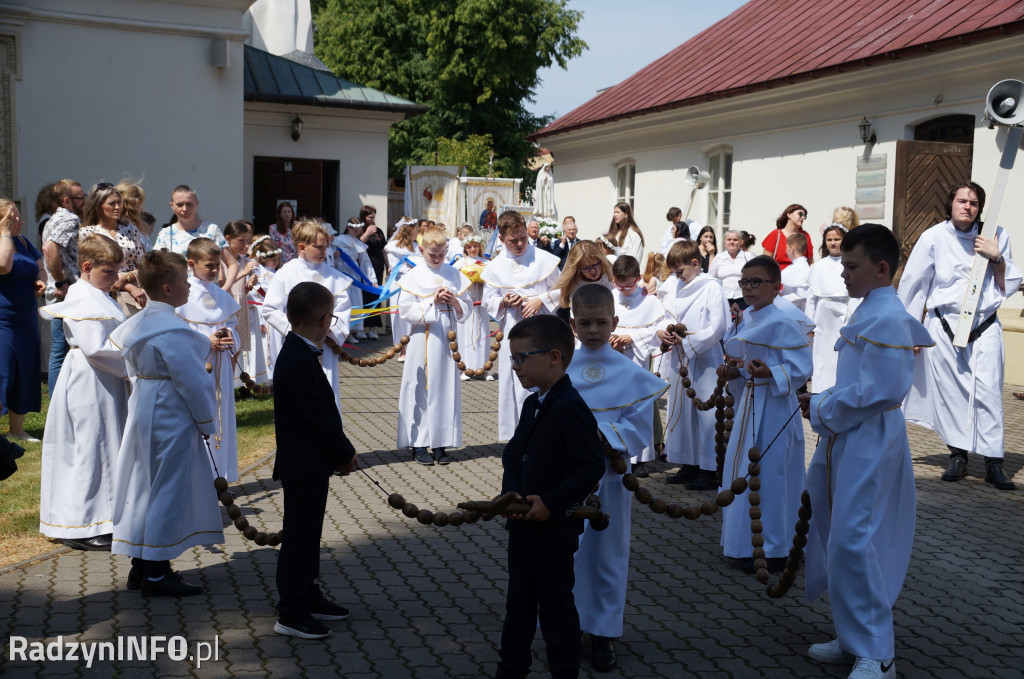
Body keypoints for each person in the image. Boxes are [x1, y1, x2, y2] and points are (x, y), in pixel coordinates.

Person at [799, 224, 934, 679]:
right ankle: (853, 636)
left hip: (871, 437)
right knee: (839, 535)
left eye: (851, 266)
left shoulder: (889, 318)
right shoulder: (868, 310)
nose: (843, 274)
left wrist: (822, 403)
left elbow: (883, 390)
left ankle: (880, 651)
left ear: (880, 269)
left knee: (856, 541)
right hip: (849, 433)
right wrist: (826, 404)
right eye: (841, 265)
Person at [496, 314, 605, 679]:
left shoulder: (570, 406)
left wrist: (551, 503)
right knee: (518, 605)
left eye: (522, 357)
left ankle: (564, 671)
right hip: (523, 523)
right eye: (512, 358)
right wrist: (511, 493)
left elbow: (589, 468)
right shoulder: (532, 402)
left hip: (554, 529)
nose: (515, 366)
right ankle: (511, 670)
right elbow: (513, 453)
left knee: (556, 606)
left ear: (554, 357)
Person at [109, 249, 222, 597]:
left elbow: (123, 358)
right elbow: (192, 380)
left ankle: (140, 565)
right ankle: (157, 572)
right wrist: (207, 421)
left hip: (144, 402)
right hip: (170, 411)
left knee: (144, 485)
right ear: (169, 289)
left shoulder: (140, 322)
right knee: (167, 488)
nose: (190, 285)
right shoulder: (172, 329)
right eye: (185, 281)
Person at [899, 181, 1022, 490]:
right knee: (951, 394)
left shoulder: (996, 235)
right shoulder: (934, 237)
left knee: (989, 393)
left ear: (980, 208)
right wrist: (910, 331)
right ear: (951, 204)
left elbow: (1009, 284)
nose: (967, 206)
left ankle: (994, 462)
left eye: (974, 202)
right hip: (943, 326)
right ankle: (958, 456)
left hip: (984, 326)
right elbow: (915, 285)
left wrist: (996, 256)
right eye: (962, 201)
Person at [569, 284, 666, 670]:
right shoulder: (562, 368)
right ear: (573, 325)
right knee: (569, 555)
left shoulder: (629, 372)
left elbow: (639, 426)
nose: (594, 330)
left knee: (608, 554)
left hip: (610, 477)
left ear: (615, 321)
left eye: (601, 323)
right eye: (586, 323)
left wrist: (607, 436)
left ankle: (605, 633)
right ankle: (569, 625)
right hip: (567, 479)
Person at [272, 281, 358, 640]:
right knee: (299, 537)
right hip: (302, 461)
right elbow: (319, 416)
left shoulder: (299, 350)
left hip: (311, 460)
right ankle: (291, 610)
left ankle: (308, 593)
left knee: (309, 535)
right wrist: (345, 453)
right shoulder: (297, 359)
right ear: (325, 320)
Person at [719, 255, 811, 572]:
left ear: (776, 286)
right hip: (750, 405)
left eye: (756, 282)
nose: (748, 288)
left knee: (773, 476)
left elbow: (801, 368)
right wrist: (734, 373)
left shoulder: (783, 320)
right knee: (742, 469)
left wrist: (770, 373)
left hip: (775, 407)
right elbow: (744, 363)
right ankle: (743, 545)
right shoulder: (748, 318)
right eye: (744, 282)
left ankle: (775, 550)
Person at [38, 235, 128, 551]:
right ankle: (83, 525)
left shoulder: (97, 292)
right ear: (87, 267)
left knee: (102, 445)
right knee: (93, 447)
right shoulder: (84, 297)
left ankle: (102, 519)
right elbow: (97, 349)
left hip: (103, 380)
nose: (115, 279)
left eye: (118, 271)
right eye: (110, 272)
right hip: (91, 379)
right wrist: (135, 362)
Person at [481, 211, 561, 441]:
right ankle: (518, 436)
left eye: (523, 238)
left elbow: (561, 289)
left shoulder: (543, 259)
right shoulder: (496, 266)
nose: (519, 244)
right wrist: (504, 302)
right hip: (513, 330)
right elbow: (488, 300)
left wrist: (541, 300)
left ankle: (543, 435)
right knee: (514, 380)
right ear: (502, 239)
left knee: (542, 378)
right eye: (512, 240)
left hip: (541, 328)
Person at [396, 227, 472, 466]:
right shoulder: (413, 276)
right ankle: (418, 443)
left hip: (447, 341)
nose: (437, 259)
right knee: (421, 388)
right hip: (422, 338)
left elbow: (467, 308)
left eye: (441, 254)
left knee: (445, 388)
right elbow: (406, 310)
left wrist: (456, 302)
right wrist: (432, 301)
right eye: (432, 255)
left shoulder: (453, 274)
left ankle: (440, 443)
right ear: (421, 250)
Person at [659, 240, 730, 491]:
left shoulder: (711, 287)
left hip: (704, 358)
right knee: (683, 411)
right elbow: (668, 313)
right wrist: (665, 332)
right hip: (680, 356)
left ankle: (709, 469)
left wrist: (690, 343)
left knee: (705, 414)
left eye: (681, 272)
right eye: (675, 273)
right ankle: (688, 462)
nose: (678, 277)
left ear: (695, 263)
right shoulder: (678, 285)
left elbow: (719, 326)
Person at [263, 220, 352, 414]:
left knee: (325, 394)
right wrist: (297, 331)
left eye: (326, 247)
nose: (324, 252)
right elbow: (270, 309)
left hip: (325, 345)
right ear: (302, 247)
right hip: (295, 346)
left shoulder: (335, 277)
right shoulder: (285, 274)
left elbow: (343, 309)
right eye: (319, 247)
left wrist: (331, 331)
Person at [176, 237, 241, 482]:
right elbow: (180, 330)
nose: (215, 270)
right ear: (191, 264)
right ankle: (199, 478)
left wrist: (228, 335)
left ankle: (219, 475)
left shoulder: (220, 295)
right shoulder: (185, 293)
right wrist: (208, 340)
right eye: (209, 266)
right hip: (198, 366)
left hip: (221, 368)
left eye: (217, 265)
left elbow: (233, 325)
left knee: (222, 415)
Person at [608, 255, 668, 477]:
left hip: (637, 360)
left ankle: (640, 458)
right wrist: (611, 338)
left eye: (629, 285)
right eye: (619, 284)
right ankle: (616, 448)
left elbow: (660, 328)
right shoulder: (610, 296)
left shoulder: (649, 301)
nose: (623, 290)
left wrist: (631, 337)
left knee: (638, 406)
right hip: (613, 359)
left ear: (639, 278)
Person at [0, 200, 46, 440]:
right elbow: (4, 265)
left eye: (18, 217)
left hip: (25, 316)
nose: (19, 221)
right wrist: (5, 233)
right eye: (13, 218)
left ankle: (17, 429)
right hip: (3, 319)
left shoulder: (23, 241)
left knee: (24, 368)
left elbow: (39, 267)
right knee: (4, 369)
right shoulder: (4, 241)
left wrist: (40, 280)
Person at [41, 178, 85, 395]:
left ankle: (57, 404)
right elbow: (50, 249)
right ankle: (58, 404)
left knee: (60, 349)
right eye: (80, 197)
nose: (84, 201)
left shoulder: (53, 219)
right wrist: (61, 282)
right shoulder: (70, 219)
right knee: (63, 350)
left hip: (60, 292)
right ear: (67, 200)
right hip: (66, 293)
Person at [79, 183, 148, 314]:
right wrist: (126, 285)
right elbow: (89, 272)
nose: (117, 207)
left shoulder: (129, 229)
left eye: (119, 202)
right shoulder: (88, 233)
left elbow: (143, 265)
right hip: (102, 296)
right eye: (111, 203)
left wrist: (126, 279)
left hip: (132, 298)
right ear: (99, 206)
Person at [806, 224, 859, 392]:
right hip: (825, 314)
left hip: (846, 308)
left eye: (837, 239)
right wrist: (809, 323)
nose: (833, 243)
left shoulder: (851, 263)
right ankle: (822, 389)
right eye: (829, 240)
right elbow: (811, 298)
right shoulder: (818, 266)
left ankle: (844, 386)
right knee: (824, 353)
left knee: (845, 352)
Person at [548, 240, 614, 324]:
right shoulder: (575, 284)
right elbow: (575, 313)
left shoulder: (610, 276)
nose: (593, 271)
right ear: (577, 267)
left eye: (595, 264)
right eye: (586, 268)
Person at [333, 217, 376, 342]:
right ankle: (341, 331)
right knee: (342, 303)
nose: (356, 231)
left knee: (354, 302)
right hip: (341, 273)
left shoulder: (359, 244)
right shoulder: (337, 240)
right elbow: (329, 257)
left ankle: (352, 331)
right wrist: (336, 258)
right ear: (348, 227)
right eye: (353, 229)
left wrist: (371, 280)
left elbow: (366, 263)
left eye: (358, 229)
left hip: (354, 275)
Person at [456, 235, 492, 380]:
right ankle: (465, 368)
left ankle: (483, 369)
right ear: (465, 247)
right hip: (468, 300)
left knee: (482, 332)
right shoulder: (460, 262)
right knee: (467, 333)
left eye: (475, 246)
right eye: (469, 247)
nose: (472, 249)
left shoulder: (486, 262)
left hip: (481, 301)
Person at [385, 218, 422, 360]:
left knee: (412, 312)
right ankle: (402, 348)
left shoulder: (416, 246)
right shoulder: (394, 246)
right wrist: (411, 267)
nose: (418, 231)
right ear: (410, 229)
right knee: (399, 315)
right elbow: (394, 267)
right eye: (417, 229)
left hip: (413, 283)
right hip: (399, 283)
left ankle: (413, 346)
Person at [358, 205, 385, 339]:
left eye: (374, 216)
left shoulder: (378, 231)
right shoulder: (359, 229)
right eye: (370, 217)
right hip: (364, 268)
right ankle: (360, 327)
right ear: (364, 217)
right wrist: (367, 233)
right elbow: (356, 245)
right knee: (363, 297)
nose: (373, 219)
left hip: (378, 266)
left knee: (376, 298)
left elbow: (383, 249)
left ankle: (373, 328)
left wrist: (388, 265)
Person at [709, 229, 754, 309]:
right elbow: (711, 278)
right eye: (729, 239)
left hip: (744, 298)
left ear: (741, 242)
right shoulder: (719, 257)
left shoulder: (748, 257)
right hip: (724, 298)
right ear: (725, 242)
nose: (732, 242)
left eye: (735, 240)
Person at [763, 203, 814, 270]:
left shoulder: (805, 236)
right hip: (779, 277)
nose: (803, 217)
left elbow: (810, 261)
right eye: (800, 214)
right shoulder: (775, 234)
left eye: (805, 216)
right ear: (789, 214)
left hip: (799, 276)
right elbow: (765, 262)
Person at [780, 231, 811, 312]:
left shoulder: (802, 268)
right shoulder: (795, 265)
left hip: (796, 310)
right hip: (787, 307)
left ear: (792, 248)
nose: (786, 250)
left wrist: (781, 299)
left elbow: (802, 295)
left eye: (787, 247)